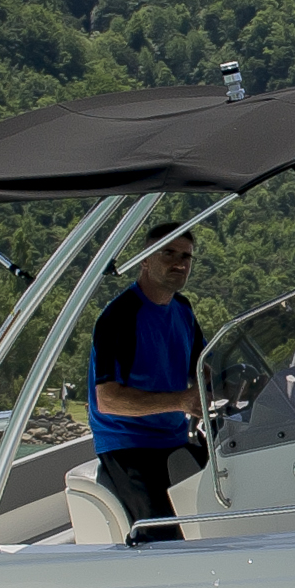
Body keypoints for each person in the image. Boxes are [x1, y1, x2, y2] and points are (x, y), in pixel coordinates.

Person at [87, 228, 204, 538]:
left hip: (174, 438)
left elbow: (202, 369)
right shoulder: (120, 317)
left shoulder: (183, 310)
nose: (179, 263)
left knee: (224, 509)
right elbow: (108, 399)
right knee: (167, 537)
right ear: (144, 260)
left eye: (186, 256)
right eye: (168, 253)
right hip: (129, 444)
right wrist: (181, 402)